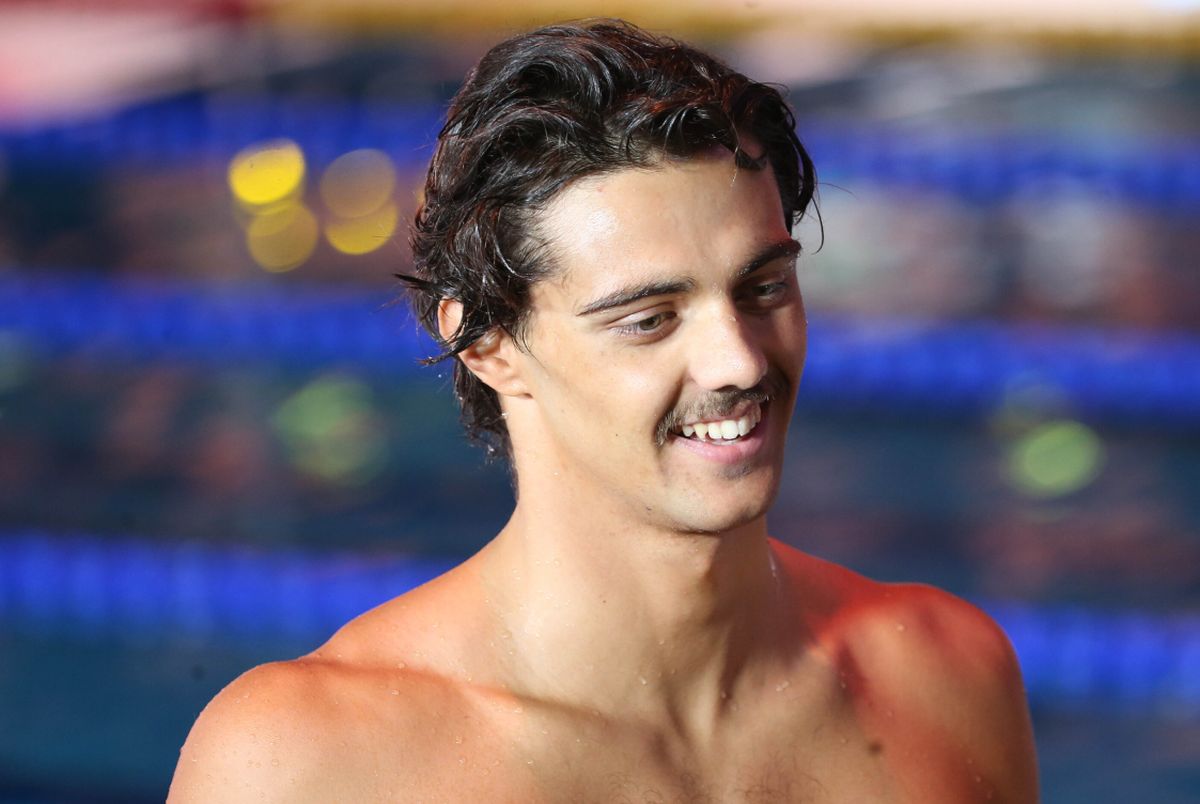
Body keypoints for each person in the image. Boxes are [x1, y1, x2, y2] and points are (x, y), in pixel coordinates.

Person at [169, 19, 1038, 802]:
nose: (738, 359)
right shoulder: (308, 764)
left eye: (763, 287)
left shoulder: (945, 675)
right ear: (488, 345)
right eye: (649, 319)